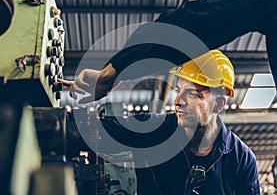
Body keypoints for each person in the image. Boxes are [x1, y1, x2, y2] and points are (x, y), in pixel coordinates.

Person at [60, 49, 260, 194]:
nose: (178, 102)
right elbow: (98, 132)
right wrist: (63, 123)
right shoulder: (156, 129)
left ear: (218, 105)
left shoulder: (241, 160)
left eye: (193, 94)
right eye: (178, 91)